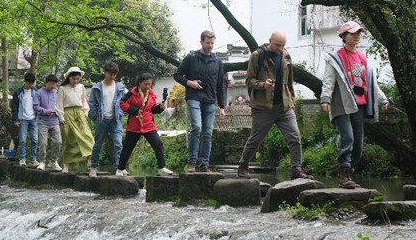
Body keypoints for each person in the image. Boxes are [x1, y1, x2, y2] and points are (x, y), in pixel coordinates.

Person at [321, 21, 390, 188]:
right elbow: (328, 80)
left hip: (359, 105)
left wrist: (382, 99)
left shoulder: (361, 57)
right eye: (353, 33)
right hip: (341, 104)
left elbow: (370, 82)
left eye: (358, 33)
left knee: (358, 144)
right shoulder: (335, 58)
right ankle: (344, 174)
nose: (357, 36)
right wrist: (325, 98)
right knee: (348, 137)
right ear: (344, 36)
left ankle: (349, 172)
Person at [237, 31, 312, 180]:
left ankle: (296, 169)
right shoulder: (257, 56)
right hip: (263, 107)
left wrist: (292, 100)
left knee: (295, 137)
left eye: (283, 45)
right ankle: (243, 166)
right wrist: (263, 85)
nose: (280, 48)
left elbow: (289, 81)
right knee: (255, 139)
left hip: (284, 106)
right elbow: (249, 81)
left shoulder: (286, 55)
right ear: (270, 40)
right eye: (278, 45)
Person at [173, 30, 226, 172]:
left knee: (208, 132)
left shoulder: (218, 61)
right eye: (207, 43)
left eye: (212, 43)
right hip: (194, 97)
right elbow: (177, 75)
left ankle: (205, 164)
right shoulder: (191, 58)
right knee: (196, 127)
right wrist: (189, 82)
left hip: (210, 100)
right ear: (201, 42)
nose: (210, 46)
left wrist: (222, 106)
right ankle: (192, 162)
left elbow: (220, 85)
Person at [115, 72, 173, 176]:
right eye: (145, 84)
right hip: (134, 125)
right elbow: (122, 103)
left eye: (149, 84)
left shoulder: (151, 94)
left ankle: (162, 168)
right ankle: (120, 169)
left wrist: (159, 108)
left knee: (158, 144)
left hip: (148, 124)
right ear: (140, 83)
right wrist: (134, 110)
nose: (147, 86)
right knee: (128, 147)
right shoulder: (132, 93)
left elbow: (152, 109)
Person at [88, 61, 127, 177]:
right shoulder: (97, 87)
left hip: (115, 120)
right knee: (97, 145)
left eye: (114, 74)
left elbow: (124, 102)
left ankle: (120, 168)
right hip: (102, 120)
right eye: (110, 73)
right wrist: (96, 116)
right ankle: (93, 167)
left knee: (118, 144)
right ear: (105, 72)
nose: (112, 76)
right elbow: (92, 103)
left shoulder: (120, 87)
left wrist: (121, 113)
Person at [55, 66, 94, 174]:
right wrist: (61, 117)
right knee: (68, 139)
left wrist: (85, 112)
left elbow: (84, 101)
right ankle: (66, 165)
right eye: (74, 79)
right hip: (67, 114)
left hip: (79, 114)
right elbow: (59, 104)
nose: (76, 81)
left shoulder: (81, 87)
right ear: (69, 78)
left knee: (87, 136)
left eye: (78, 79)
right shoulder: (63, 88)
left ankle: (89, 159)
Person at [33, 74, 62, 171]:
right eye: (51, 84)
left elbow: (60, 106)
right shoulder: (39, 92)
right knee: (43, 143)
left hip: (55, 121)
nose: (53, 86)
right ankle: (42, 161)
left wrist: (60, 116)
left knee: (58, 142)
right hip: (43, 122)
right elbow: (35, 106)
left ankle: (53, 161)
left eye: (54, 84)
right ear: (46, 83)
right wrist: (45, 111)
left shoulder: (57, 93)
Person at [11, 72, 39, 167]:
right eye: (28, 83)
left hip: (33, 118)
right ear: (25, 81)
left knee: (35, 140)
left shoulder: (35, 91)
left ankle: (33, 159)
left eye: (32, 83)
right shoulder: (18, 92)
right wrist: (16, 119)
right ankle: (22, 159)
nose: (30, 85)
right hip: (22, 119)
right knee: (22, 140)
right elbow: (14, 107)